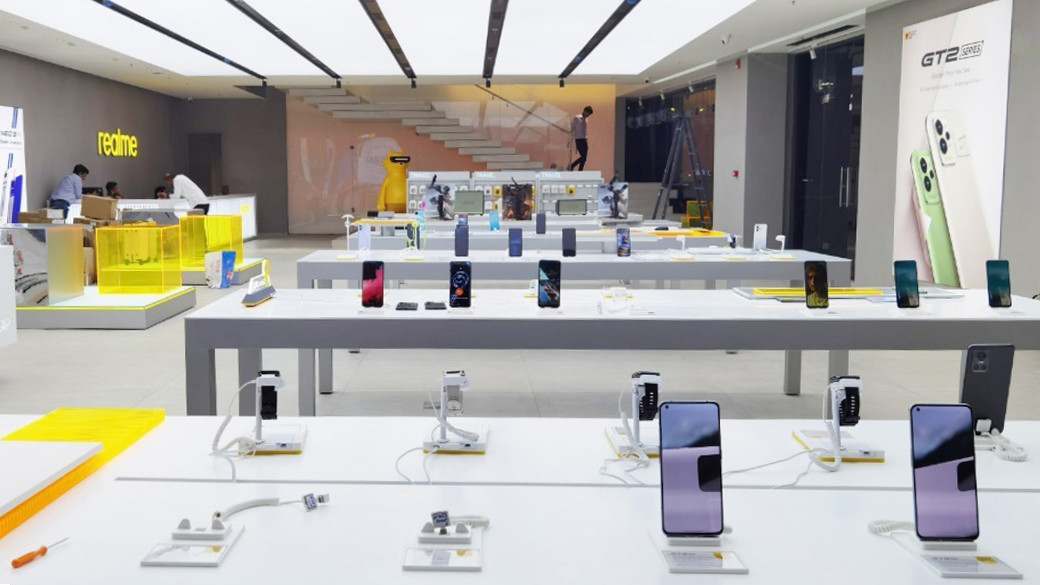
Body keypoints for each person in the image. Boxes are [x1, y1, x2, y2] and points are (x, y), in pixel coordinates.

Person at [568, 106, 594, 171]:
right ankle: (572, 165)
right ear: (584, 111)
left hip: (585, 140)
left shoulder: (586, 119)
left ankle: (580, 169)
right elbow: (572, 128)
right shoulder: (576, 118)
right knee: (583, 156)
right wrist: (569, 137)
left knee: (584, 158)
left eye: (589, 115)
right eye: (588, 113)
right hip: (579, 140)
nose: (588, 115)